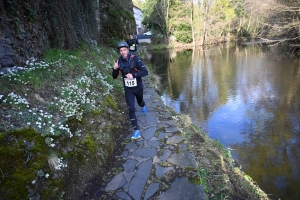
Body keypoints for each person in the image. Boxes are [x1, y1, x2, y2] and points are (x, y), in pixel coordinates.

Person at [112, 41, 148, 140]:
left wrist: (134, 75)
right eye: (121, 50)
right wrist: (115, 69)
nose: (123, 52)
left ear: (128, 49)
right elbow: (114, 77)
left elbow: (145, 72)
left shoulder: (135, 59)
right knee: (131, 108)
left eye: (124, 50)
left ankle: (143, 104)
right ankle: (136, 131)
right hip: (128, 89)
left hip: (138, 87)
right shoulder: (119, 61)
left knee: (140, 102)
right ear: (119, 52)